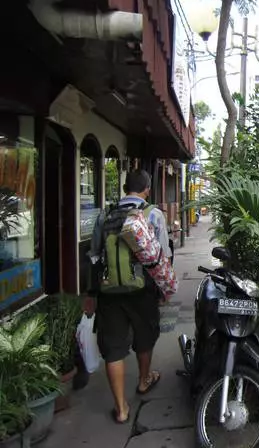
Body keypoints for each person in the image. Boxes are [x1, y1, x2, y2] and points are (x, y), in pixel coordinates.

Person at [83, 169, 172, 424]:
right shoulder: (153, 214)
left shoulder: (105, 215)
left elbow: (95, 256)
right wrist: (164, 289)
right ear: (146, 188)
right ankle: (144, 381)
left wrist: (92, 293)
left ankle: (121, 408)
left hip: (109, 291)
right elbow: (163, 256)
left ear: (124, 188)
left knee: (113, 347)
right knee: (145, 336)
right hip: (142, 289)